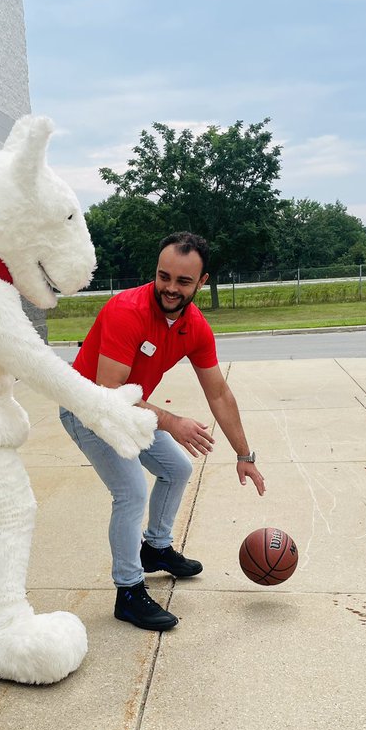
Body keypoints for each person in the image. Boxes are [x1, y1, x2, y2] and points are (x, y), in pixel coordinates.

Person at [60, 231, 265, 631]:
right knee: (131, 491)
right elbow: (108, 392)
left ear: (202, 282)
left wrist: (244, 455)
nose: (170, 288)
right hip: (88, 409)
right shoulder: (127, 310)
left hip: (127, 411)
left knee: (177, 469)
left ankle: (155, 548)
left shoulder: (195, 327)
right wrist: (172, 421)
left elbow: (219, 393)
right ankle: (129, 592)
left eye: (183, 281)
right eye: (164, 276)